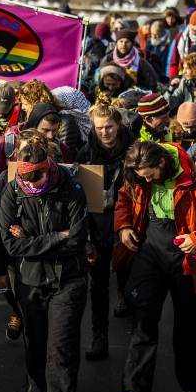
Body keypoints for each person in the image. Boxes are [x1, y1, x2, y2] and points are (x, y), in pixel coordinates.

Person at [109, 142, 196, 392]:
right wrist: (124, 227)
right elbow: (123, 199)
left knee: (188, 325)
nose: (145, 180)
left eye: (149, 175)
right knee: (142, 322)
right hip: (150, 251)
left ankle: (192, 386)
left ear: (163, 164)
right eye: (141, 176)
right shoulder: (136, 175)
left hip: (187, 258)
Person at [0, 140, 90, 392]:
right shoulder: (13, 191)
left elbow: (76, 241)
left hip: (69, 279)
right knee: (34, 344)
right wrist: (56, 237)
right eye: (24, 179)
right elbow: (10, 244)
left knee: (60, 349)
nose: (29, 185)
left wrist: (34, 239)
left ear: (48, 169)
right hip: (32, 279)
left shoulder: (72, 189)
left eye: (34, 179)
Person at [76, 104, 133, 360]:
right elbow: (80, 201)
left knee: (129, 279)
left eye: (109, 126)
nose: (105, 132)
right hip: (97, 224)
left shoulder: (133, 153)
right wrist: (86, 238)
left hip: (126, 224)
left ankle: (137, 338)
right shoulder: (86, 154)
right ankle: (99, 338)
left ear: (118, 124)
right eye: (99, 128)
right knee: (98, 285)